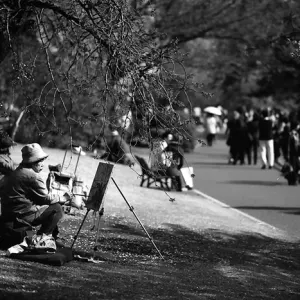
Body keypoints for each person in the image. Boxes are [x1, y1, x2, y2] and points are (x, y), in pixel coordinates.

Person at [0, 143, 65, 245]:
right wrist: (63, 198)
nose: (43, 164)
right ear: (33, 162)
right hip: (21, 217)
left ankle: (52, 237)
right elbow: (45, 199)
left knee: (47, 208)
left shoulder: (16, 171)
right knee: (57, 208)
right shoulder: (33, 176)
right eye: (41, 161)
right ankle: (42, 238)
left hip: (9, 215)